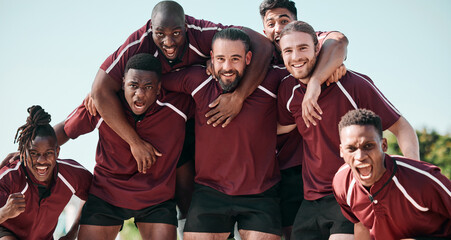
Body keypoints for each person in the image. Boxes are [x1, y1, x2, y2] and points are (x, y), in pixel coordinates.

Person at [86, 2, 272, 236]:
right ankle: (189, 222)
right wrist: (134, 141)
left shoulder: (202, 32)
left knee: (205, 167)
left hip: (198, 111)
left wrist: (238, 97)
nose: (169, 42)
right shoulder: (137, 43)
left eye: (176, 33)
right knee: (179, 170)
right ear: (150, 28)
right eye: (160, 34)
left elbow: (263, 44)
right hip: (167, 118)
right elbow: (100, 90)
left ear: (186, 26)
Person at [277, 21, 420, 240]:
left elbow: (403, 129)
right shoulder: (288, 90)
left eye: (303, 48)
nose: (295, 57)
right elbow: (277, 129)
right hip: (311, 200)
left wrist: (413, 179)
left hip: (351, 194)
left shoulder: (353, 84)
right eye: (288, 50)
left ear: (317, 49)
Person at [161, 28, 290, 240]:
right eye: (220, 59)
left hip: (261, 192)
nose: (227, 67)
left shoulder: (272, 80)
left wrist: (333, 69)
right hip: (210, 191)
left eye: (235, 59)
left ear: (248, 58)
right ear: (211, 58)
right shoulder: (197, 79)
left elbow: (306, 73)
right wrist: (108, 87)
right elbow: (154, 79)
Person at [54, 53, 193, 239]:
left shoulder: (177, 106)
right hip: (107, 194)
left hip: (156, 198)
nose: (140, 94)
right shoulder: (102, 105)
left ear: (159, 88)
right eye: (133, 85)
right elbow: (64, 130)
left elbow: (210, 94)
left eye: (148, 87)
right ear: (122, 83)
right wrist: (26, 151)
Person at [258, 1, 348, 238]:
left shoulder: (306, 43)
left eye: (284, 21)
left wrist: (317, 80)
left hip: (301, 168)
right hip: (265, 167)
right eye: (271, 23)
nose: (278, 28)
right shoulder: (258, 53)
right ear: (263, 29)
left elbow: (338, 42)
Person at [333, 109, 451, 240]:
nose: (360, 156)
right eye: (351, 149)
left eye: (368, 146)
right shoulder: (342, 183)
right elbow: (361, 225)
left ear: (383, 145)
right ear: (341, 151)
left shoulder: (423, 179)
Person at [0, 105, 92, 239]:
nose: (41, 161)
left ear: (57, 152)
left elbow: (97, 194)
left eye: (48, 153)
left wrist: (72, 233)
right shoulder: (10, 177)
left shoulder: (70, 175)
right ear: (23, 153)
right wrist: (4, 212)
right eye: (33, 153)